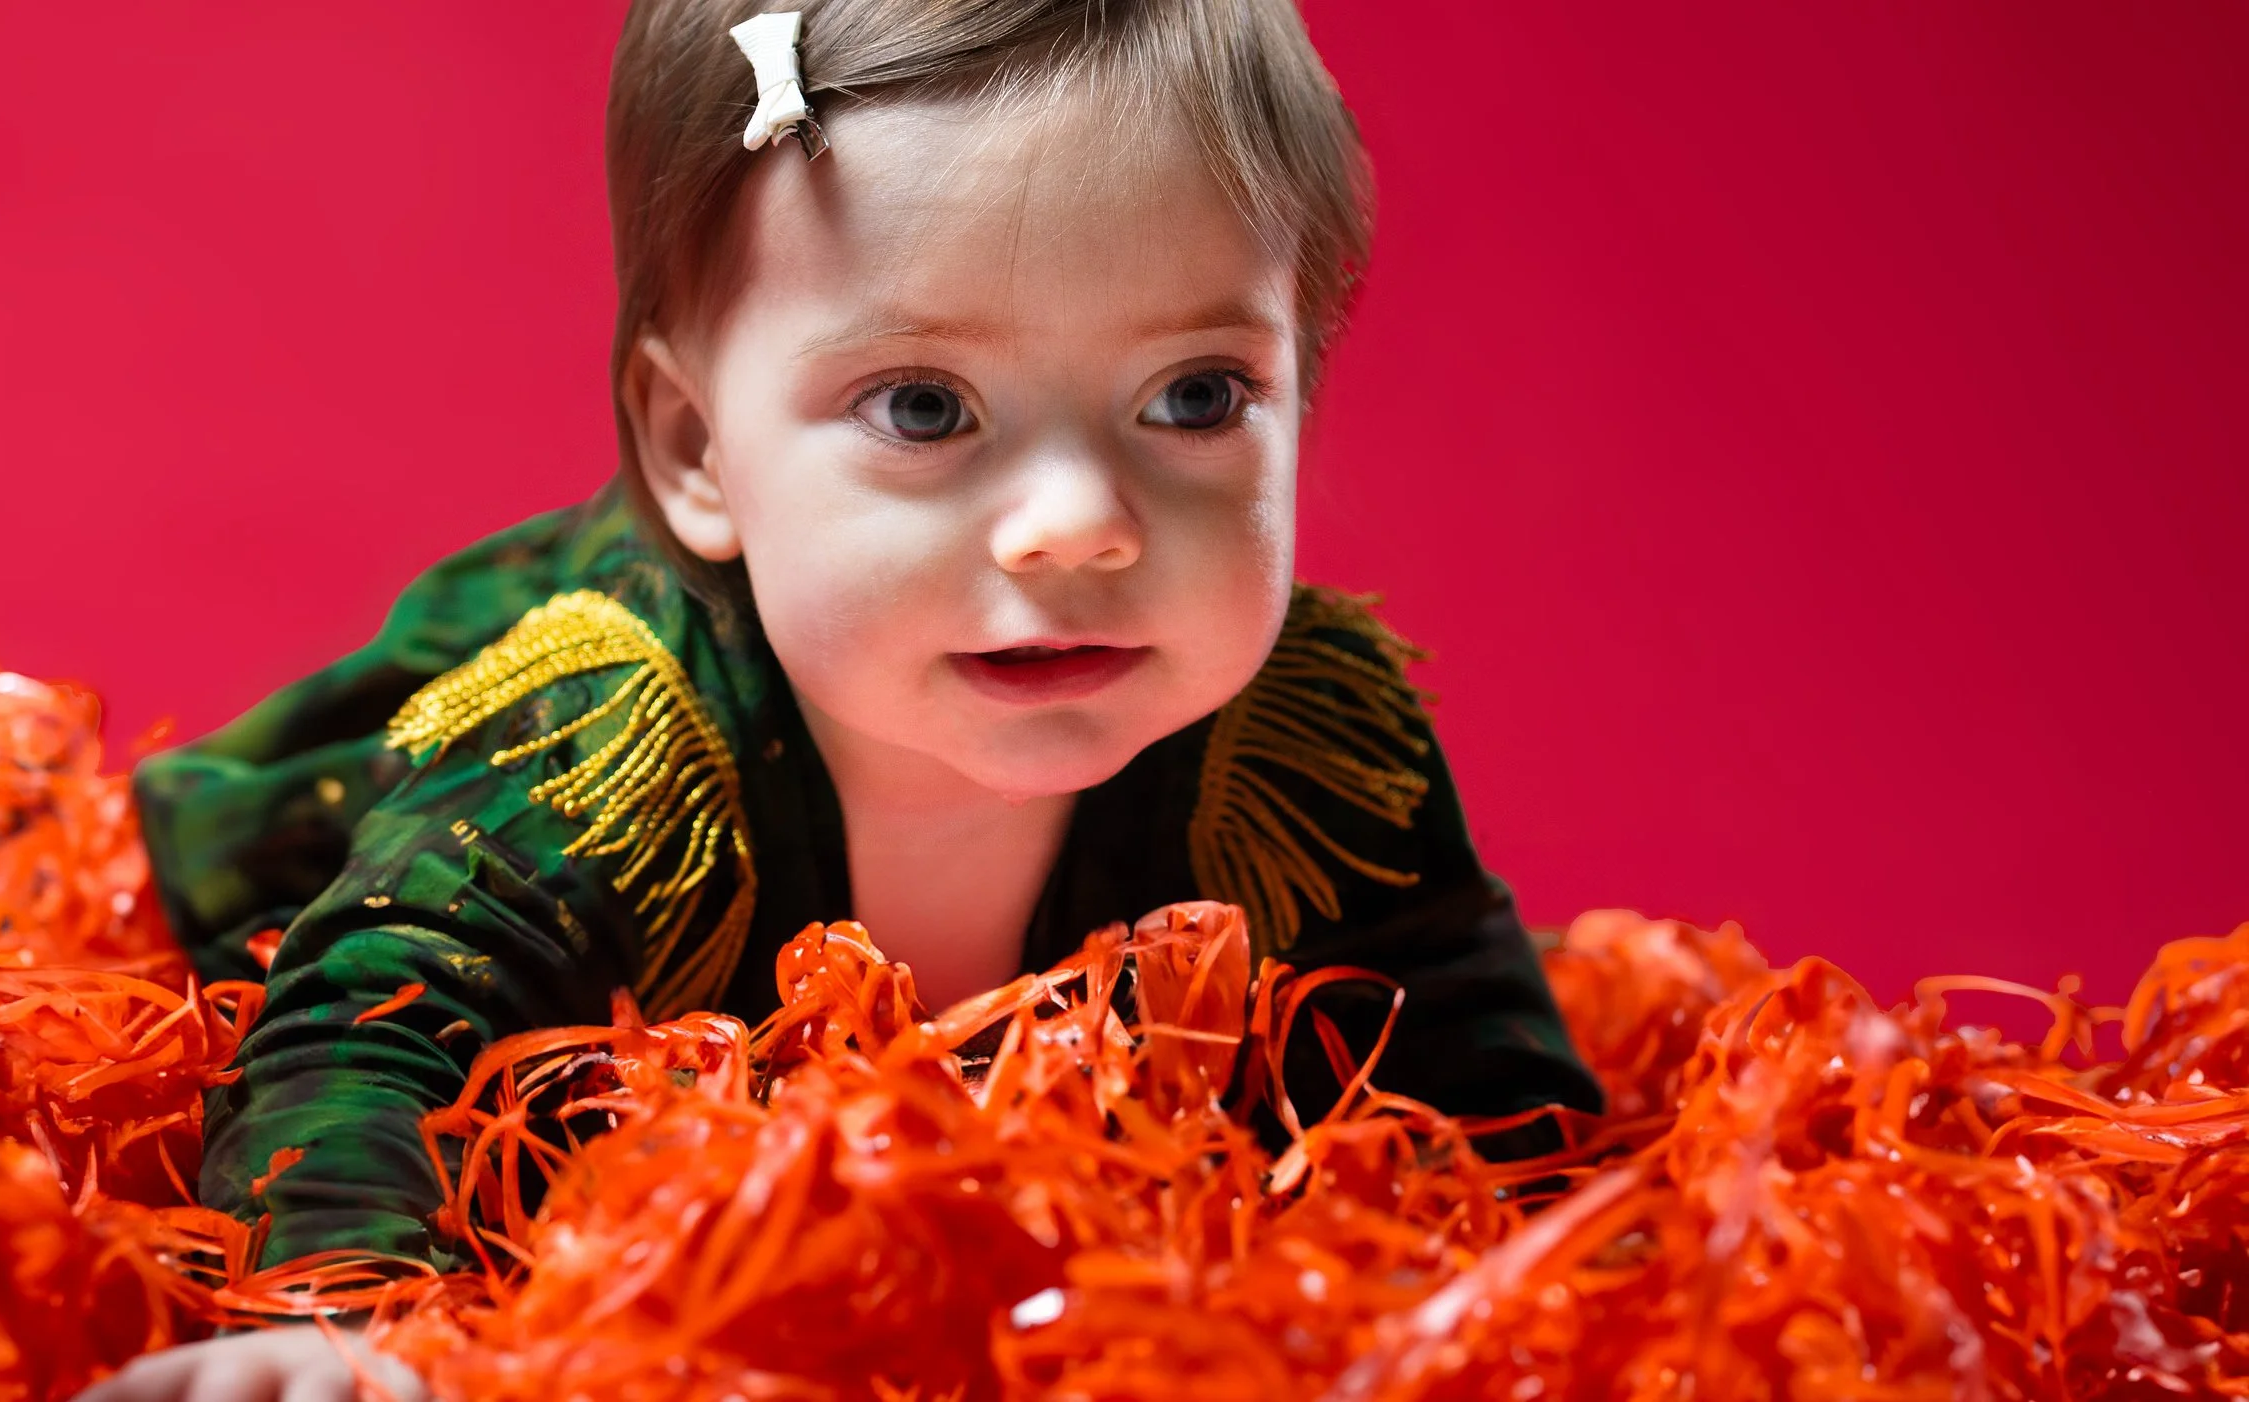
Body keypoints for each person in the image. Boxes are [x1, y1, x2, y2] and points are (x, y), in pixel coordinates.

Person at [81, 0, 1603, 1396]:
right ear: (696, 449)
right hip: (292, 943)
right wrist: (337, 1322)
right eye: (926, 408)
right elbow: (372, 1019)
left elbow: (1460, 1041)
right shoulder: (610, 747)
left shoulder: (1296, 741)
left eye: (1196, 395)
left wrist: (1568, 1287)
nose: (1078, 520)